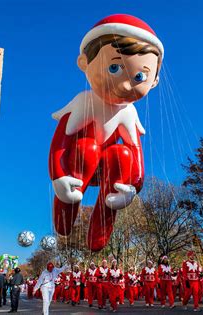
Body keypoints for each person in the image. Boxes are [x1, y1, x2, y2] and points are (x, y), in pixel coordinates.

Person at [49, 14, 164, 252]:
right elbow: (61, 142)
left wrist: (133, 186)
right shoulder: (83, 103)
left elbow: (136, 154)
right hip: (79, 166)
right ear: (84, 64)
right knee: (86, 147)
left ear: (153, 81)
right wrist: (59, 176)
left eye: (139, 77)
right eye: (114, 68)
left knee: (122, 153)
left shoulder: (128, 113)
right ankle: (65, 208)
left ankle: (102, 226)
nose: (124, 85)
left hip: (110, 171)